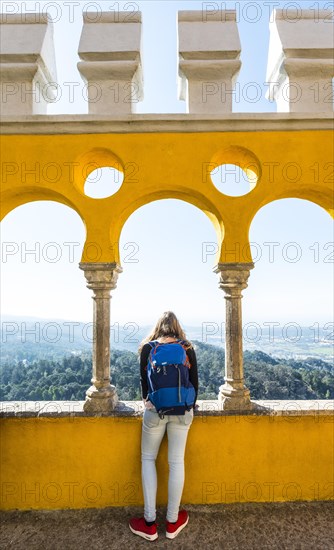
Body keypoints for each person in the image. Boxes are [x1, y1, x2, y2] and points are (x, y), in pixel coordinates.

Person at [129, 311, 198, 541]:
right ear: (177, 327)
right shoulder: (186, 347)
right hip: (182, 411)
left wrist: (150, 403)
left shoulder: (148, 349)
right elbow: (195, 384)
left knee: (148, 459)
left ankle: (149, 523)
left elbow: (143, 386)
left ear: (158, 327)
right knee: (176, 462)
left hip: (154, 411)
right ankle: (172, 522)